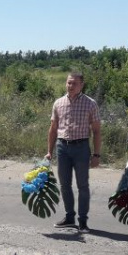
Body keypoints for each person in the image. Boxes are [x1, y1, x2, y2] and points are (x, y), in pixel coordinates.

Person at [47, 71, 102, 234]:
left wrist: (96, 155)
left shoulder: (90, 104)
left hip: (81, 148)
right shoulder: (58, 103)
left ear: (81, 85)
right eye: (69, 83)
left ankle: (83, 221)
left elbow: (97, 131)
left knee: (83, 186)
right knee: (64, 185)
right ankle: (69, 217)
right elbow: (53, 129)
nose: (71, 86)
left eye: (75, 83)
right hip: (62, 147)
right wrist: (49, 151)